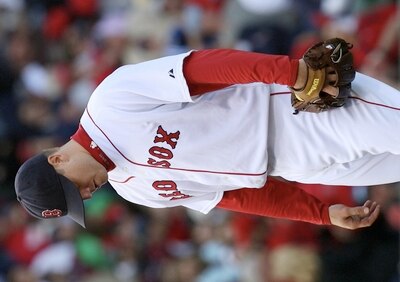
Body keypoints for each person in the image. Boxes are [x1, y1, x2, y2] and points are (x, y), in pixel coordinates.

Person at [16, 43, 399, 230]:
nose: (85, 195)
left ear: (58, 159)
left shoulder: (111, 102)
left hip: (292, 110)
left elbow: (208, 68)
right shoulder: (133, 190)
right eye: (77, 202)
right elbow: (234, 194)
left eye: (73, 190)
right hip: (302, 165)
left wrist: (289, 72)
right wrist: (318, 213)